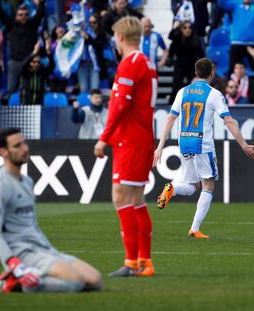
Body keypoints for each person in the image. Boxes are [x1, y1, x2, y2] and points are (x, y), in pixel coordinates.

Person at [0, 127, 102, 293]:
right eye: (17, 146)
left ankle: (23, 280)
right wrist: (13, 262)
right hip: (23, 255)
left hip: (44, 250)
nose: (25, 149)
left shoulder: (27, 182)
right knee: (76, 282)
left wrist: (49, 249)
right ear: (4, 152)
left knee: (95, 280)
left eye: (24, 143)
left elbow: (32, 224)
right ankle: (13, 284)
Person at [154, 58, 254, 239]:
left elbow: (170, 118)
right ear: (211, 73)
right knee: (208, 184)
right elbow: (228, 120)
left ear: (195, 73)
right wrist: (244, 145)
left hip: (184, 142)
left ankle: (172, 188)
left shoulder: (183, 92)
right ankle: (194, 229)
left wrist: (159, 147)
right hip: (202, 144)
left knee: (191, 185)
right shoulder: (214, 94)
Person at [93, 17, 157, 277]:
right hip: (142, 137)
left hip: (130, 140)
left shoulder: (130, 64)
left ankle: (132, 262)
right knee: (137, 199)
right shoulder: (147, 62)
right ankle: (144, 263)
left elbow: (119, 105)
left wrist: (103, 138)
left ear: (120, 38)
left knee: (120, 196)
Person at [0, 0, 45, 96]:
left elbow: (40, 13)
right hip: (15, 62)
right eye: (20, 15)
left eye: (26, 14)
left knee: (30, 89)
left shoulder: (32, 25)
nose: (23, 17)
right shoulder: (11, 25)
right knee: (11, 91)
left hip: (30, 63)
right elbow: (1, 15)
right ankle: (10, 109)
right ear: (16, 16)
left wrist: (41, 2)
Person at [218, 0, 254, 76]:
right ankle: (230, 86)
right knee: (232, 69)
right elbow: (223, 4)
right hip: (237, 43)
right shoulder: (235, 4)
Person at [168, 21, 204, 104]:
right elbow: (170, 37)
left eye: (189, 28)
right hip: (179, 65)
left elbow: (201, 53)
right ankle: (173, 104)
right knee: (176, 85)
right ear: (181, 29)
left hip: (192, 66)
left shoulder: (195, 40)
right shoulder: (177, 39)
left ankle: (192, 102)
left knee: (192, 86)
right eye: (185, 28)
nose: (187, 30)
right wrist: (175, 27)